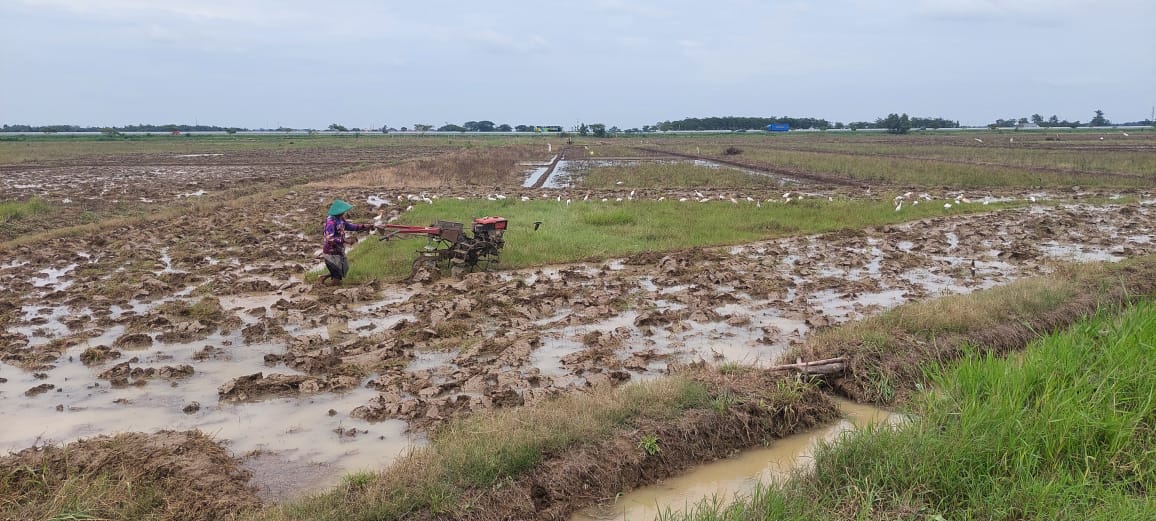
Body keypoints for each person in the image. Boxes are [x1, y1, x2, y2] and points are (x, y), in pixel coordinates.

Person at [320, 199, 377, 286]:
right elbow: (329, 238)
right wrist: (345, 240)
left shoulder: (340, 218)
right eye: (343, 211)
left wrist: (363, 226)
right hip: (331, 251)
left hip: (339, 249)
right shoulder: (331, 222)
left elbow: (349, 226)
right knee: (337, 278)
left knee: (344, 268)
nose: (344, 213)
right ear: (338, 211)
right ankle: (331, 290)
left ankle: (324, 277)